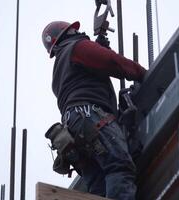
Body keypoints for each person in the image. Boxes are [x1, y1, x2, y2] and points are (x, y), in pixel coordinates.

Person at [42, 20, 146, 200]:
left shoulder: (59, 69)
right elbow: (112, 61)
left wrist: (97, 48)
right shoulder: (77, 47)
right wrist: (141, 73)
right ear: (69, 33)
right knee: (118, 166)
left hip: (73, 128)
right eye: (75, 30)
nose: (78, 32)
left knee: (98, 187)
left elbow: (85, 76)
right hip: (90, 116)